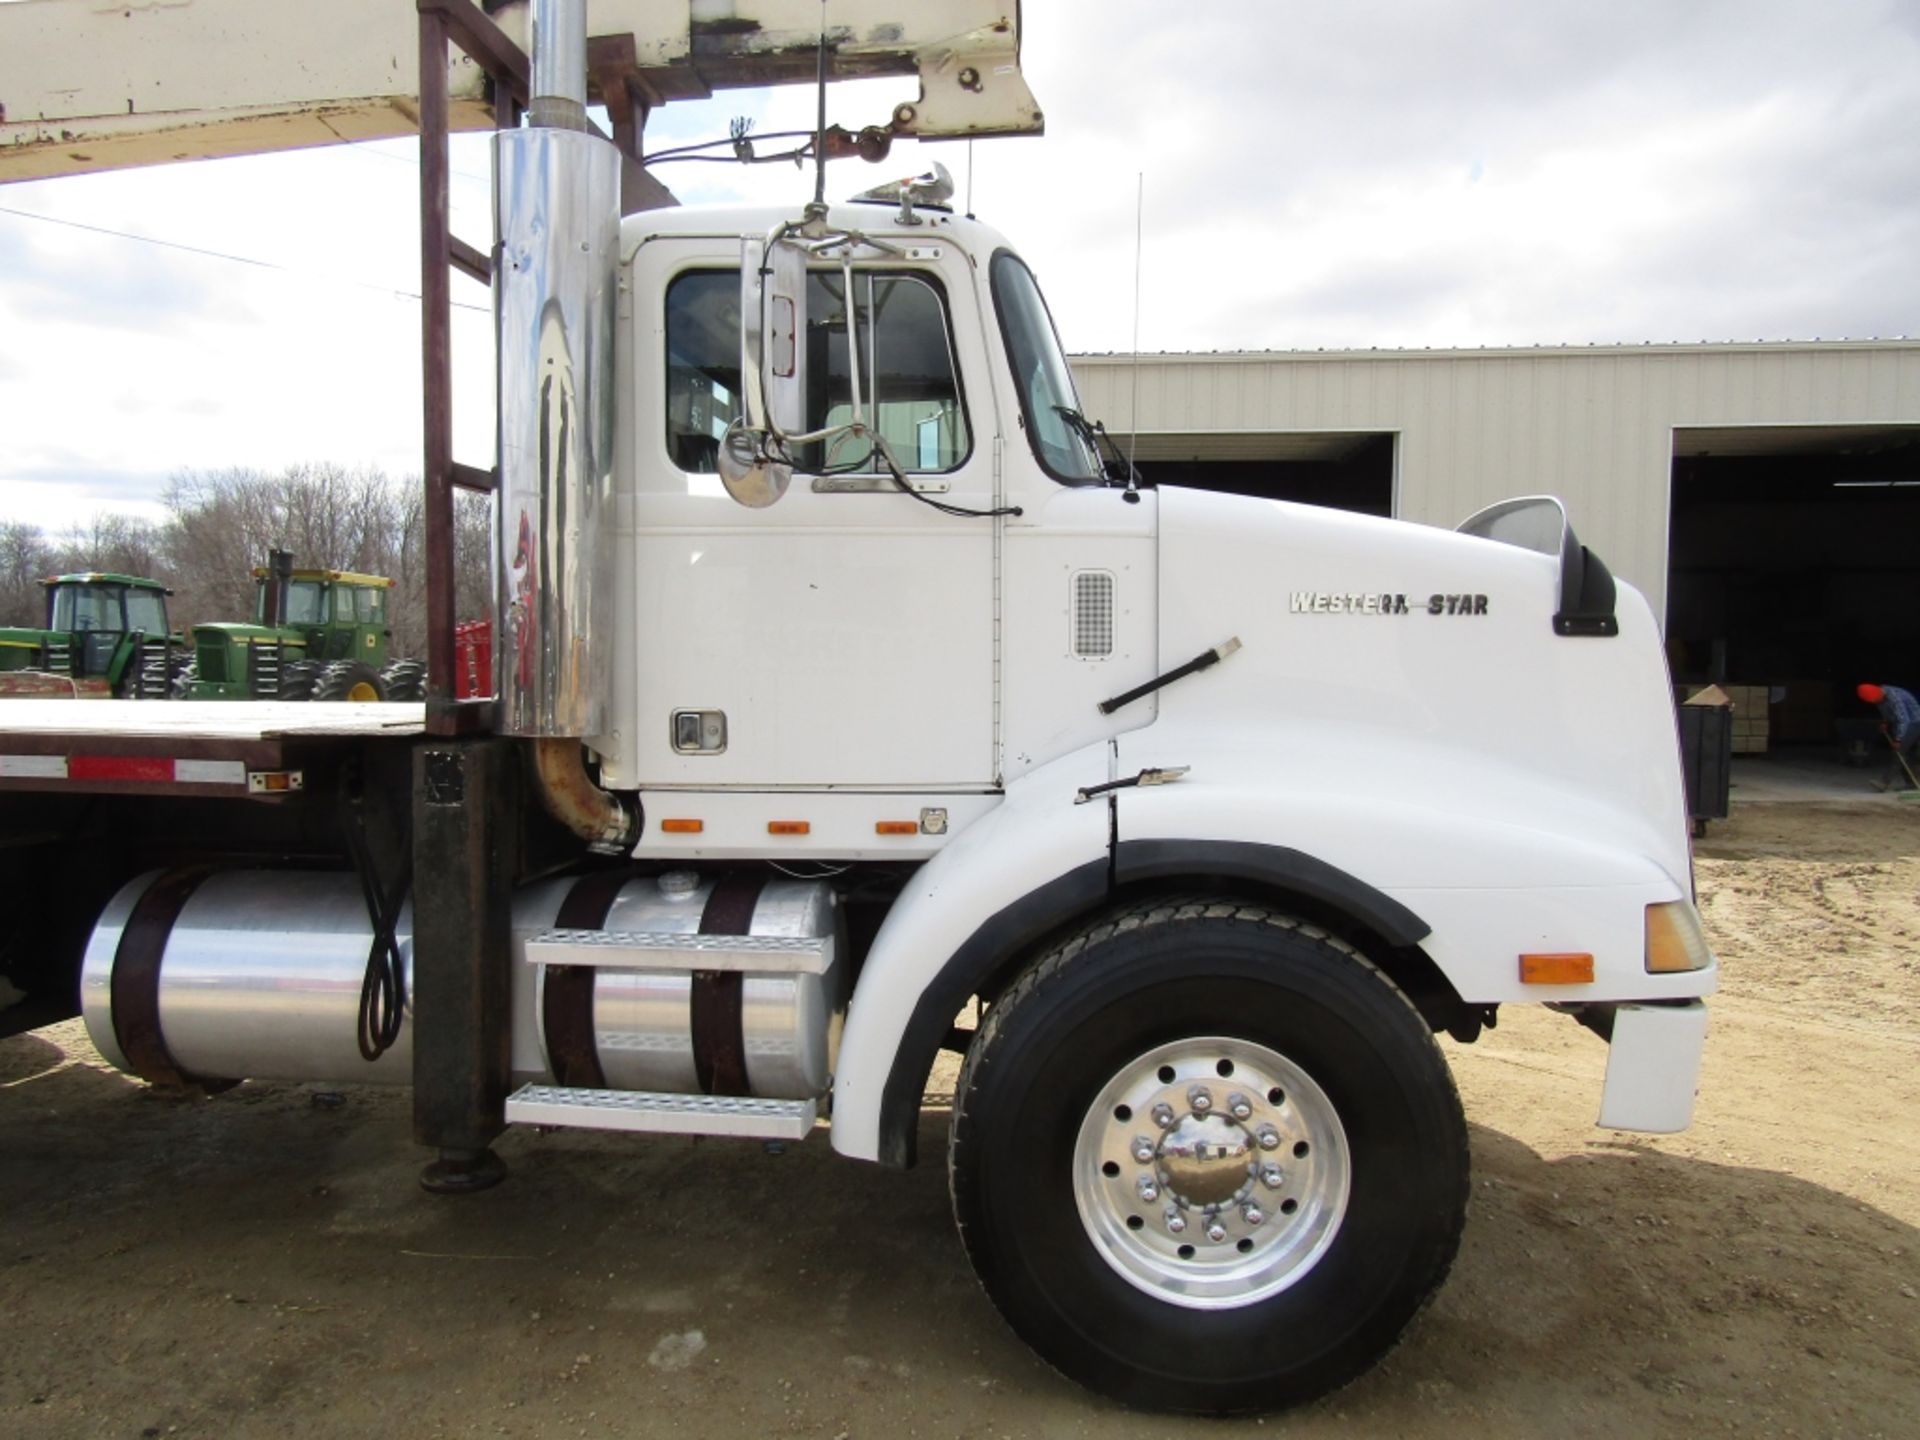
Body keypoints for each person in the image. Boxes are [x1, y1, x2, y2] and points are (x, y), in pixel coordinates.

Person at [1857, 682, 1920, 790]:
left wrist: (1898, 739)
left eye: (1875, 701)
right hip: (1902, 722)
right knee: (1904, 755)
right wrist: (1885, 722)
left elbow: (1904, 720)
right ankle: (1912, 783)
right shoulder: (1879, 697)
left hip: (1914, 722)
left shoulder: (1894, 698)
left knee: (1899, 751)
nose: (1875, 703)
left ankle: (1884, 783)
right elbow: (1888, 713)